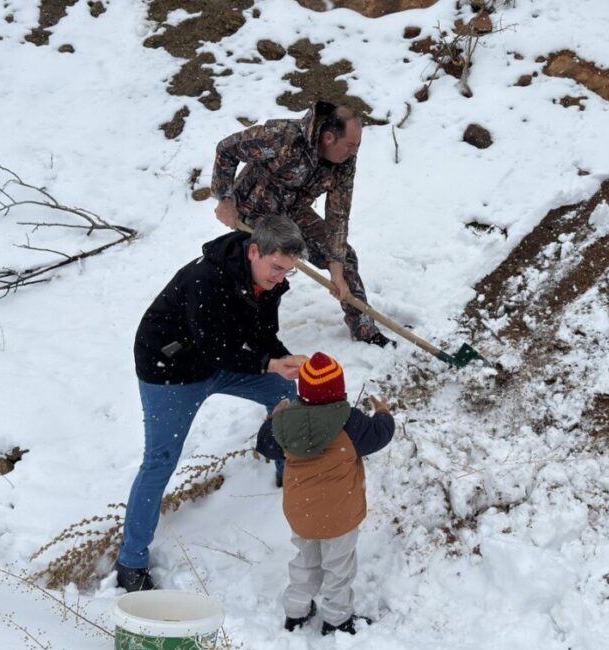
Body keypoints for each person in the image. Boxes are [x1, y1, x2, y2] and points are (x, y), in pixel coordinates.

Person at [116, 216, 310, 593]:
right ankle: (131, 562)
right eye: (276, 268)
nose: (281, 278)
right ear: (254, 251)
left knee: (284, 392)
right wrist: (268, 363)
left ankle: (289, 470)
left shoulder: (269, 281)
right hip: (171, 369)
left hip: (221, 361)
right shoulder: (206, 279)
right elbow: (214, 346)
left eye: (289, 271)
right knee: (160, 460)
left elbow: (263, 333)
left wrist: (284, 360)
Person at [211, 101, 393, 347]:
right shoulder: (282, 137)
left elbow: (338, 215)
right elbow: (227, 149)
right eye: (350, 145)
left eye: (357, 145)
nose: (354, 152)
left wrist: (336, 269)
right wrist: (225, 199)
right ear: (328, 138)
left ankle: (363, 329)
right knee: (256, 272)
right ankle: (233, 337)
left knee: (344, 257)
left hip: (293, 213)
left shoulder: (344, 163)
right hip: (254, 212)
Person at [256, 352, 395, 635]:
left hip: (301, 514)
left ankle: (296, 612)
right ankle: (337, 619)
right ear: (339, 390)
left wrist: (273, 418)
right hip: (339, 517)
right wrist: (383, 412)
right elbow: (381, 434)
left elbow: (265, 445)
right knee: (338, 569)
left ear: (303, 391)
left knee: (305, 563)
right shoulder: (350, 422)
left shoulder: (285, 424)